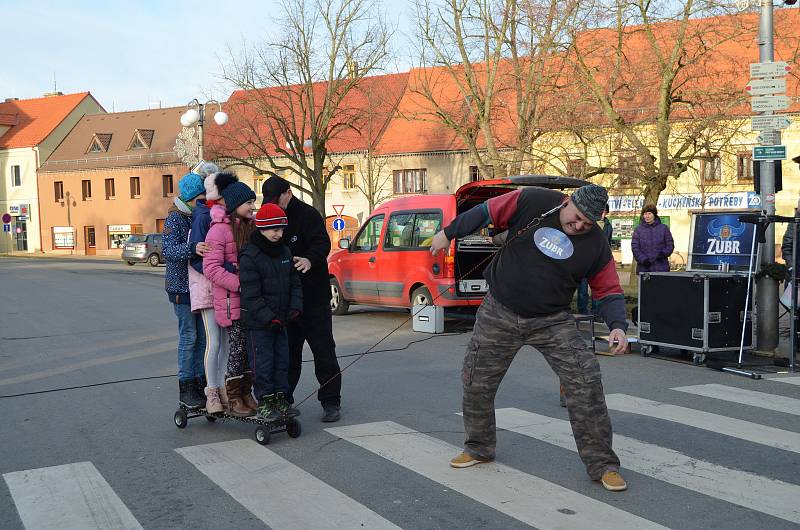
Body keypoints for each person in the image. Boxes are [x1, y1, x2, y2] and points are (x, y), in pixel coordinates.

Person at [430, 183, 630, 492]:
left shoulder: (595, 244)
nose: (578, 227)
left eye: (587, 224)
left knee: (586, 381)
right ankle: (479, 447)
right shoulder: (532, 200)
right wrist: (448, 232)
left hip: (552, 320)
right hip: (500, 309)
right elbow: (486, 212)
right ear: (567, 202)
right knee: (476, 380)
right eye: (575, 218)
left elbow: (608, 289)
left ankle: (603, 464)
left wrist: (617, 325)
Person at [261, 176, 342, 422]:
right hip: (288, 301)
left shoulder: (308, 215)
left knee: (324, 351)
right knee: (288, 354)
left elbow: (322, 243)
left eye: (278, 200)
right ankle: (285, 400)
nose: (276, 205)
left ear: (288, 193)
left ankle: (330, 402)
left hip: (314, 297)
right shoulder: (272, 219)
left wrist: (309, 259)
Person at [239, 203, 303, 420]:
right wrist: (269, 318)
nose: (279, 234)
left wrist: (295, 308)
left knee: (282, 362)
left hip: (282, 320)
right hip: (260, 324)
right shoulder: (250, 256)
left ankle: (281, 399)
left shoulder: (285, 251)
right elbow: (251, 295)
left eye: (281, 229)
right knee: (263, 365)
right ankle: (265, 401)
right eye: (274, 229)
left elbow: (294, 283)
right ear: (263, 229)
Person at [203, 181, 258, 417]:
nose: (253, 207)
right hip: (230, 300)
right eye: (249, 203)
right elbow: (212, 268)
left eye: (253, 202)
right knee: (237, 349)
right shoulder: (218, 230)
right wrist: (240, 284)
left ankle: (247, 393)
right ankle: (234, 396)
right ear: (235, 204)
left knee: (249, 349)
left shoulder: (252, 227)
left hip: (251, 299)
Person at [188, 169, 239, 413]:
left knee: (228, 341)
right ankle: (213, 393)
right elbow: (199, 259)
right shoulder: (203, 217)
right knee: (214, 340)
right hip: (208, 288)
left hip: (225, 287)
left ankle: (224, 387)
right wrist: (227, 269)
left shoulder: (229, 217)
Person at [163, 172, 209, 409]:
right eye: (200, 198)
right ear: (191, 198)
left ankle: (201, 384)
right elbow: (168, 251)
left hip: (198, 287)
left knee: (202, 338)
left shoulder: (196, 215)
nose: (203, 202)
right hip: (181, 288)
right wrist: (193, 248)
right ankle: (186, 387)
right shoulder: (175, 219)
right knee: (188, 337)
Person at [576, 203, 613, 314]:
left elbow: (608, 243)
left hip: (598, 262)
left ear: (606, 213)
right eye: (599, 211)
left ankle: (596, 312)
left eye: (604, 212)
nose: (601, 214)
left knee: (597, 289)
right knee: (582, 289)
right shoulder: (588, 223)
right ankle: (582, 311)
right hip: (584, 261)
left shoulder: (608, 226)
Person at [631, 204, 674, 273]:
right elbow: (635, 248)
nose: (647, 216)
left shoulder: (664, 228)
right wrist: (643, 260)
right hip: (644, 268)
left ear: (654, 215)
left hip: (661, 268)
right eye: (645, 214)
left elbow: (670, 245)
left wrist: (663, 254)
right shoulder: (638, 230)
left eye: (649, 213)